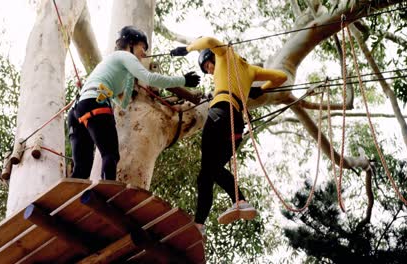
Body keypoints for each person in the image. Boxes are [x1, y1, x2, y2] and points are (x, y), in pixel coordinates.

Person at [170, 37, 287, 233]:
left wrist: (187, 48)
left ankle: (204, 222)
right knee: (210, 172)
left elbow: (207, 40)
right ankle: (227, 208)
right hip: (236, 126)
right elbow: (281, 77)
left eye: (208, 66)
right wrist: (257, 90)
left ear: (212, 57)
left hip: (219, 115)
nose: (209, 71)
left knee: (208, 171)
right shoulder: (250, 70)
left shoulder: (224, 55)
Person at [68, 26, 200, 180]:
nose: (144, 53)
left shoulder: (113, 66)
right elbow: (150, 78)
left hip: (78, 109)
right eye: (142, 47)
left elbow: (123, 103)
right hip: (95, 103)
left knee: (82, 169)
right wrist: (183, 80)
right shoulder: (124, 55)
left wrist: (131, 78)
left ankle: (64, 199)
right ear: (130, 44)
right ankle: (108, 192)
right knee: (110, 155)